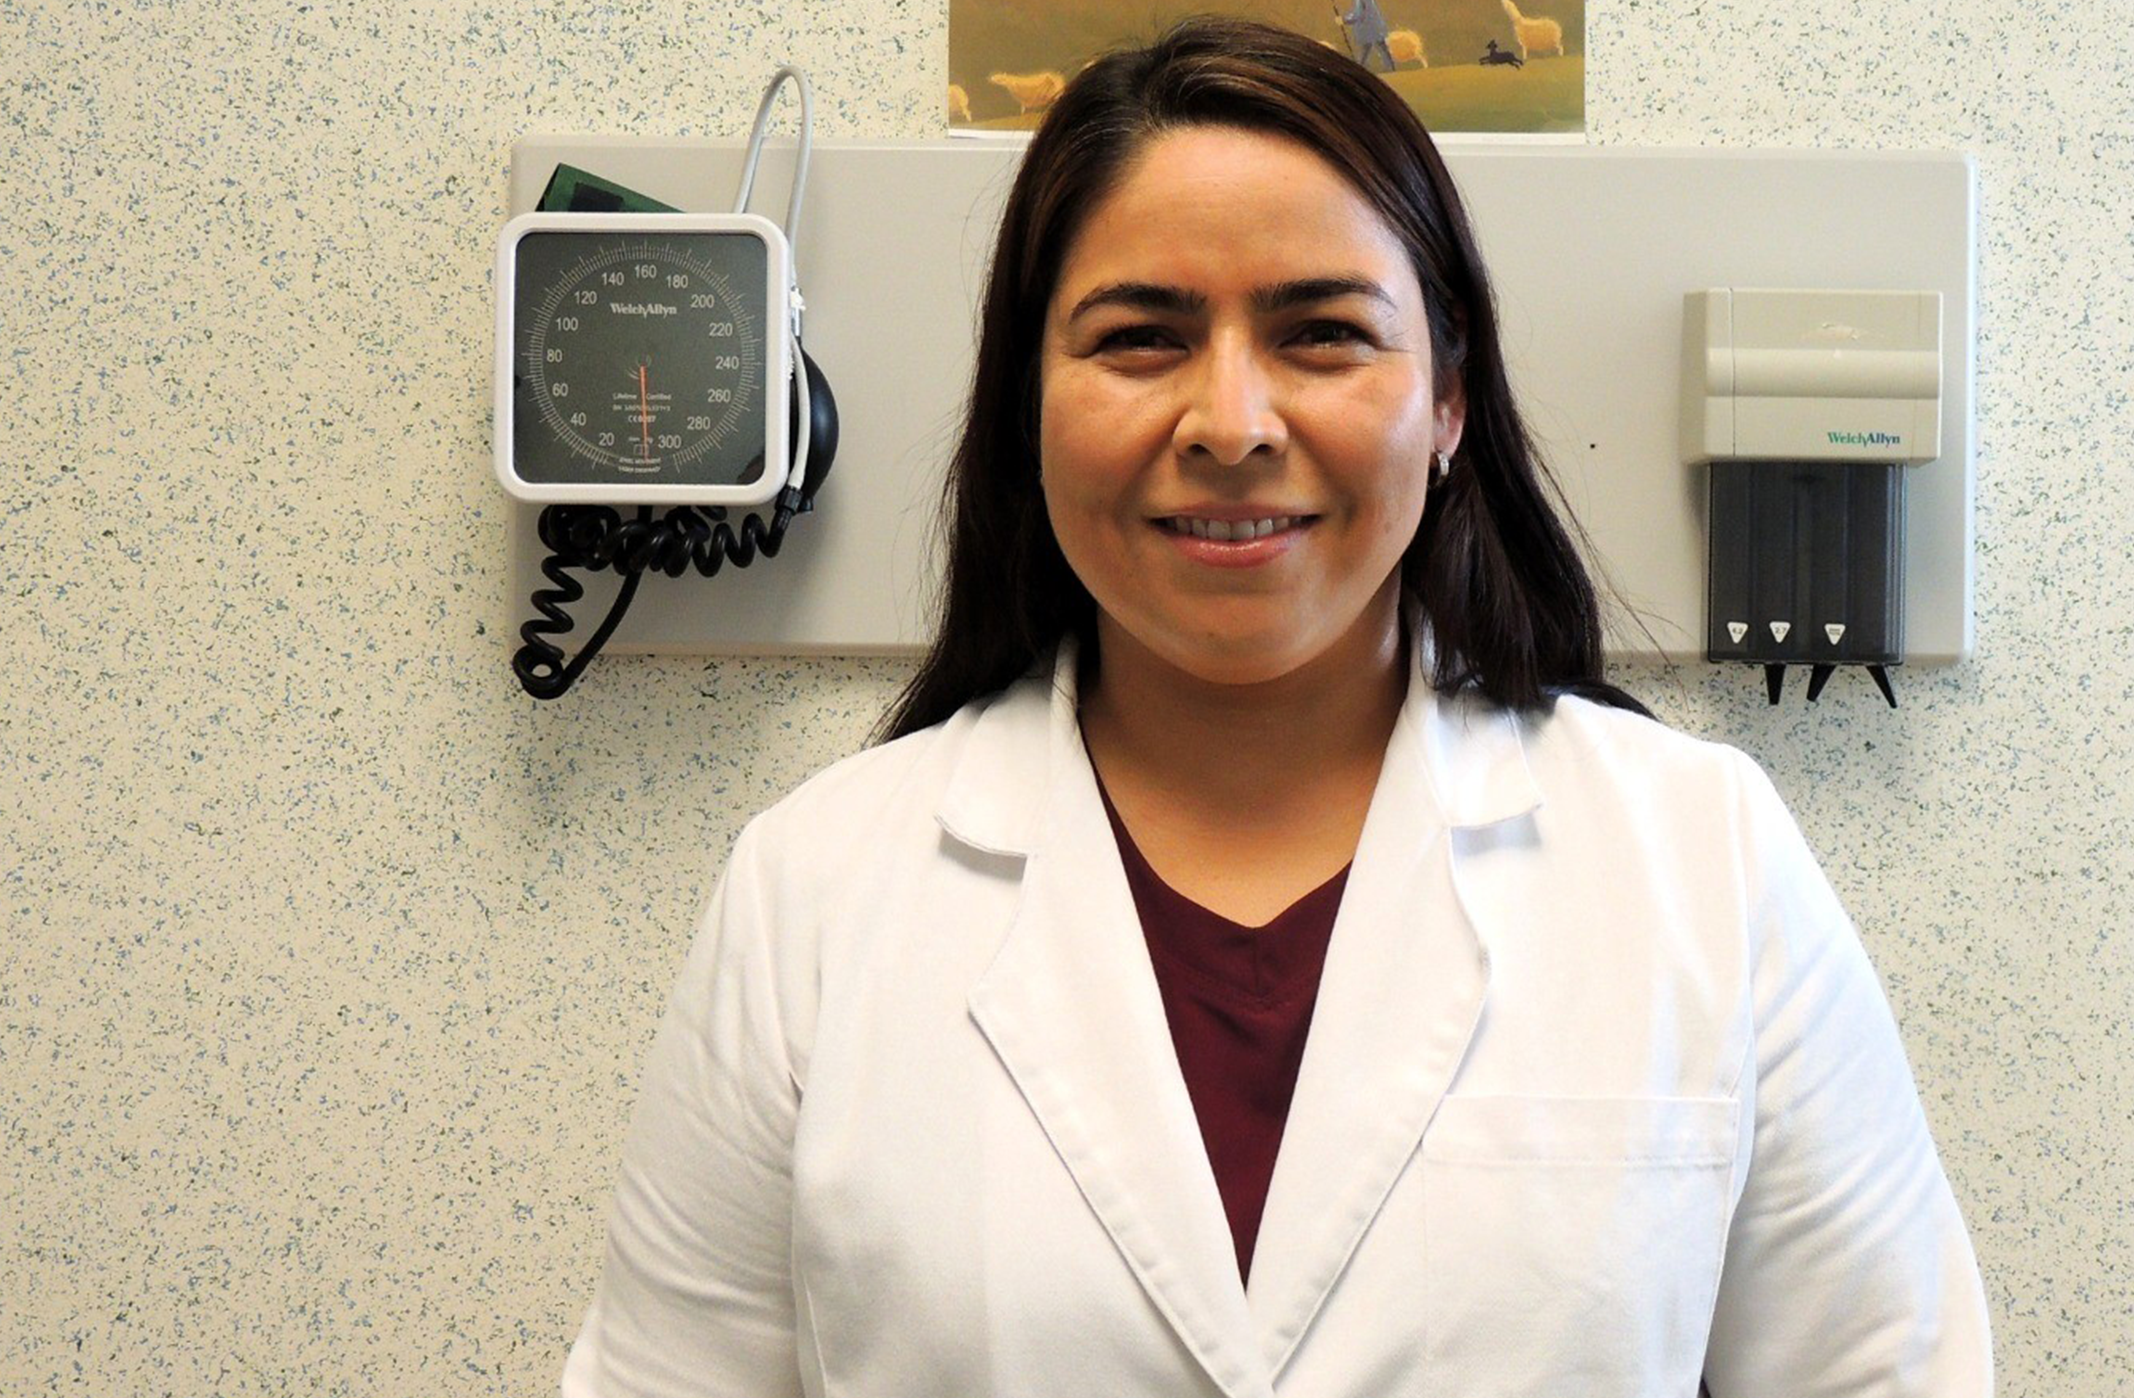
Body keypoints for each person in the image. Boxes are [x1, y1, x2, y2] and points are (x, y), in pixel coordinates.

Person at [561, 17, 1993, 1397]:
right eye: (1140, 338)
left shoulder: (1703, 864)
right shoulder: (813, 901)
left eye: (1321, 334)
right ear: (1028, 405)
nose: (1233, 425)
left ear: (1448, 401)